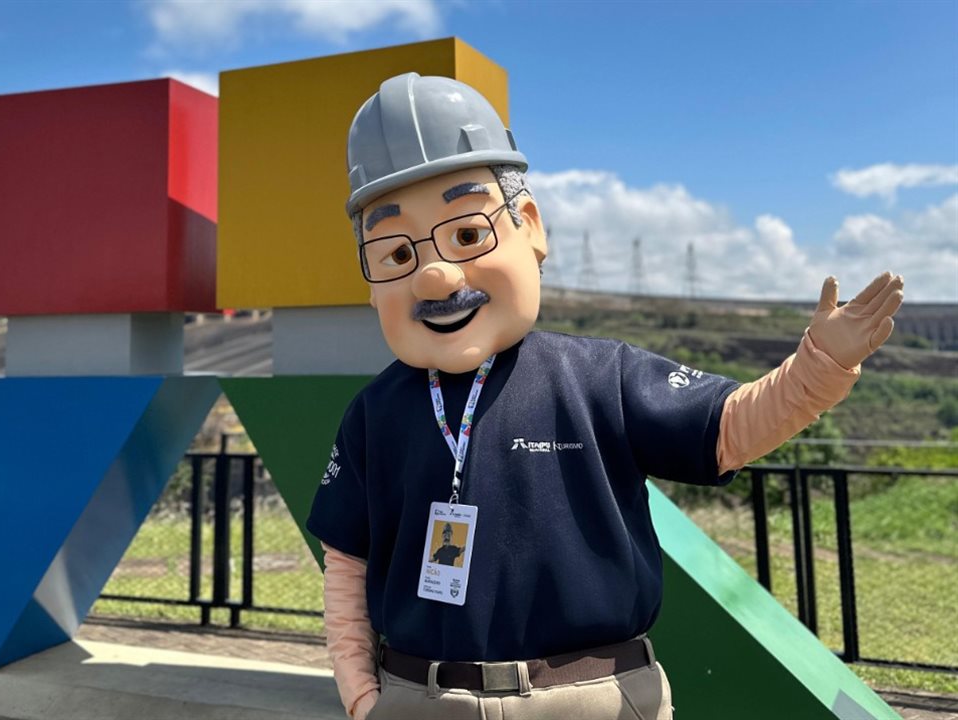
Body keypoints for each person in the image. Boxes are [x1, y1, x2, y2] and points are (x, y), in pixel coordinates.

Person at [306, 72, 904, 720]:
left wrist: (820, 365)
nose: (436, 275)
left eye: (468, 235)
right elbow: (347, 563)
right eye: (395, 252)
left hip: (594, 700)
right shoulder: (373, 413)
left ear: (529, 226)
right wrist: (364, 697)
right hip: (419, 698)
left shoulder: (599, 375)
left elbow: (730, 428)